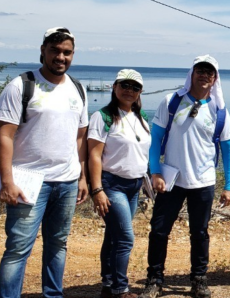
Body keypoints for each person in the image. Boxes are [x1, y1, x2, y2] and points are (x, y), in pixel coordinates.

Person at [0, 27, 88, 298]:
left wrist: (82, 177)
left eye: (67, 52)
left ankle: (53, 295)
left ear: (73, 54)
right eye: (55, 51)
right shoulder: (21, 86)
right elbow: (4, 135)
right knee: (18, 248)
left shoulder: (77, 89)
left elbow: (80, 138)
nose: (61, 57)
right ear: (43, 51)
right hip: (28, 181)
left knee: (58, 244)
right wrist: (7, 181)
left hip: (67, 181)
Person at [143, 55, 230, 298]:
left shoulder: (219, 110)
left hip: (203, 182)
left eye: (210, 72)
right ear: (191, 73)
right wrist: (155, 171)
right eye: (200, 70)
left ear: (215, 78)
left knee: (200, 232)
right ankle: (154, 279)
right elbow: (155, 140)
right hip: (170, 179)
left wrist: (229, 185)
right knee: (159, 231)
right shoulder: (171, 102)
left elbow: (228, 149)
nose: (205, 75)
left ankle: (198, 279)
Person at [88, 69, 150, 298]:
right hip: (112, 185)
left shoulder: (139, 118)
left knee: (114, 236)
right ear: (115, 87)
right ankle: (120, 289)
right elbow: (94, 155)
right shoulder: (102, 117)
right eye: (125, 85)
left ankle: (108, 281)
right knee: (125, 238)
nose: (129, 91)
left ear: (140, 92)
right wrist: (97, 190)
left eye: (135, 87)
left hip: (134, 186)